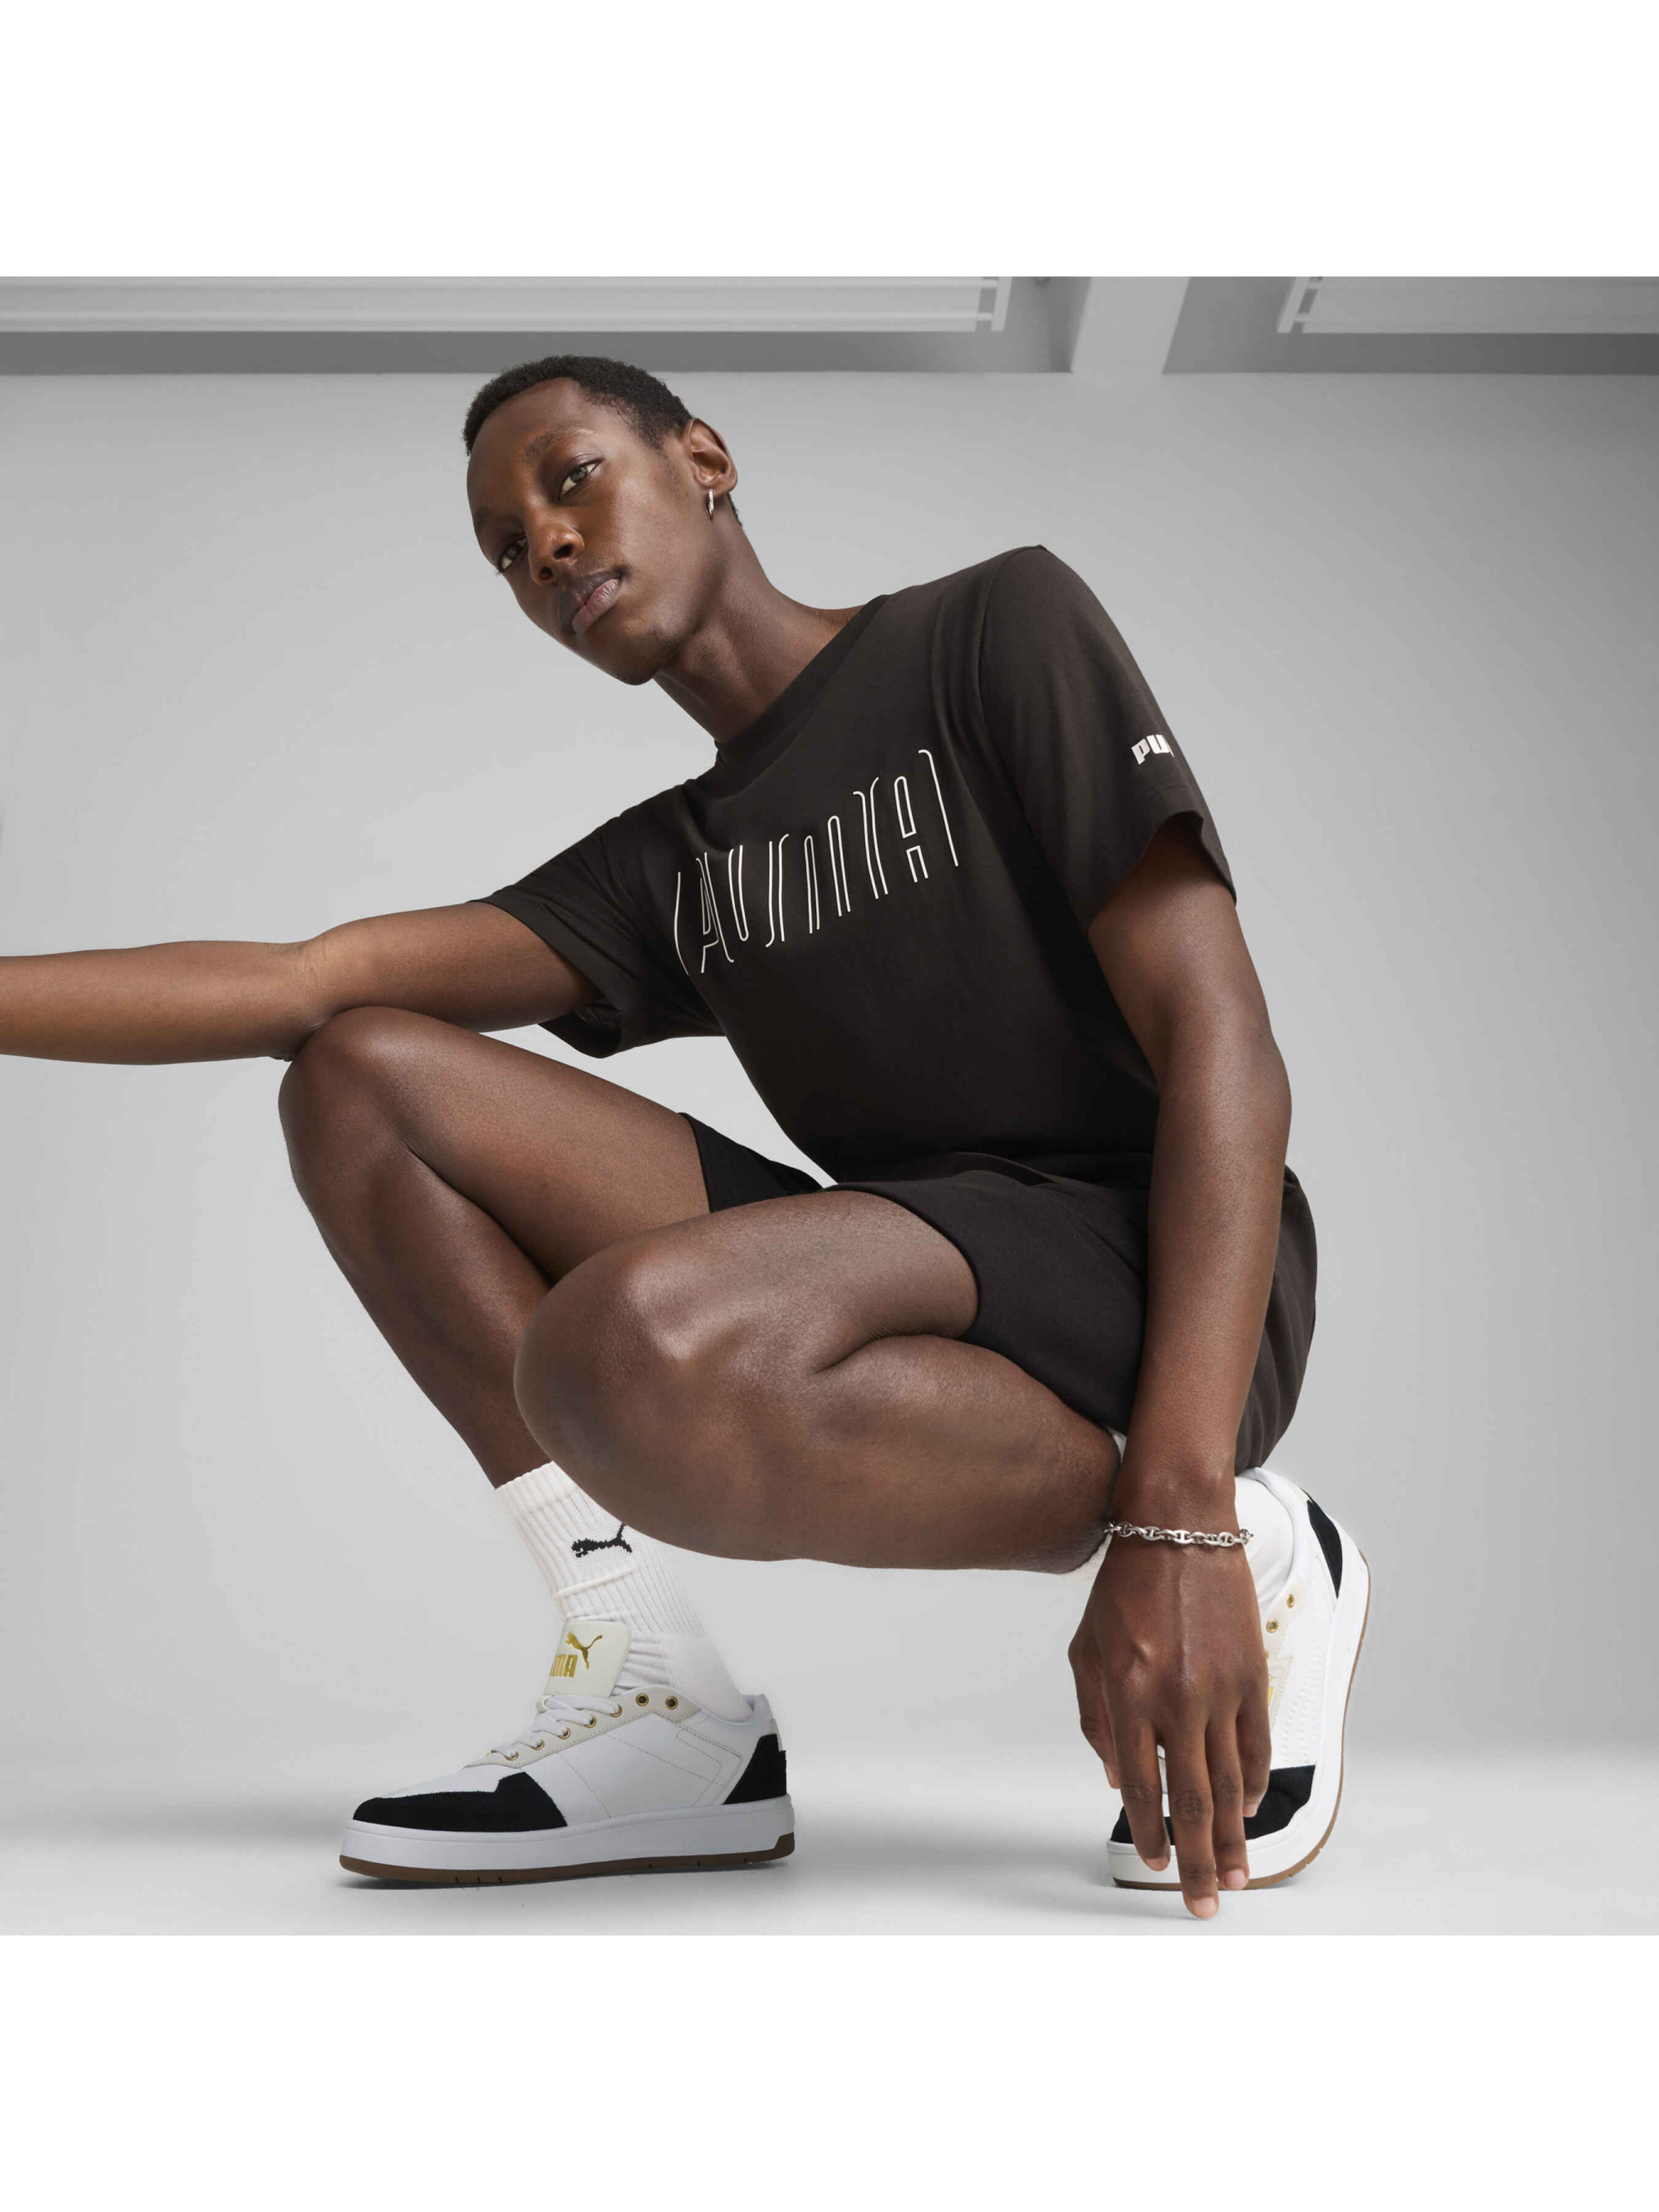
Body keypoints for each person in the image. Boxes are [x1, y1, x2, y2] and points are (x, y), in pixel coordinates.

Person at [0, 353, 1367, 1919]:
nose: (545, 546)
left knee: (622, 1341)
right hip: (916, 1277)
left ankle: (1253, 1541)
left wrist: (1179, 1510)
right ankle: (654, 1690)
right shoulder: (675, 865)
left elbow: (1220, 1043)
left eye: (570, 479)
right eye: (505, 550)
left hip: (1158, 1270)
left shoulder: (992, 629)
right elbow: (307, 981)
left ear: (703, 458)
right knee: (358, 1073)